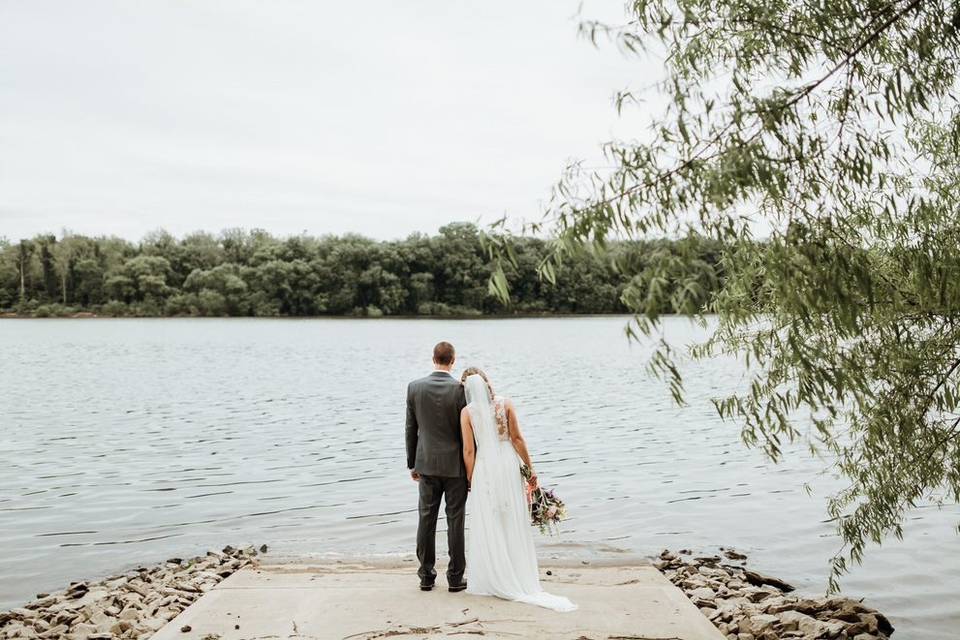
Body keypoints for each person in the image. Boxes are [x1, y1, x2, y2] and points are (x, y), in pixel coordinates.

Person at [459, 367, 577, 612]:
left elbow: (469, 451)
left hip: (485, 468)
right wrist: (530, 469)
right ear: (488, 383)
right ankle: (518, 573)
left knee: (490, 519)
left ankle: (494, 576)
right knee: (512, 516)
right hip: (508, 463)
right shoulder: (506, 404)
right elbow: (518, 439)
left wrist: (471, 479)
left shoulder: (467, 413)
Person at [405, 341, 468, 592]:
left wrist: (413, 463)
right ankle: (455, 578)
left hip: (427, 465)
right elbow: (468, 435)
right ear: (453, 361)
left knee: (426, 519)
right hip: (456, 467)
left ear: (433, 359)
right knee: (456, 521)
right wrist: (471, 468)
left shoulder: (414, 388)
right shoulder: (461, 390)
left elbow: (411, 429)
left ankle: (426, 577)